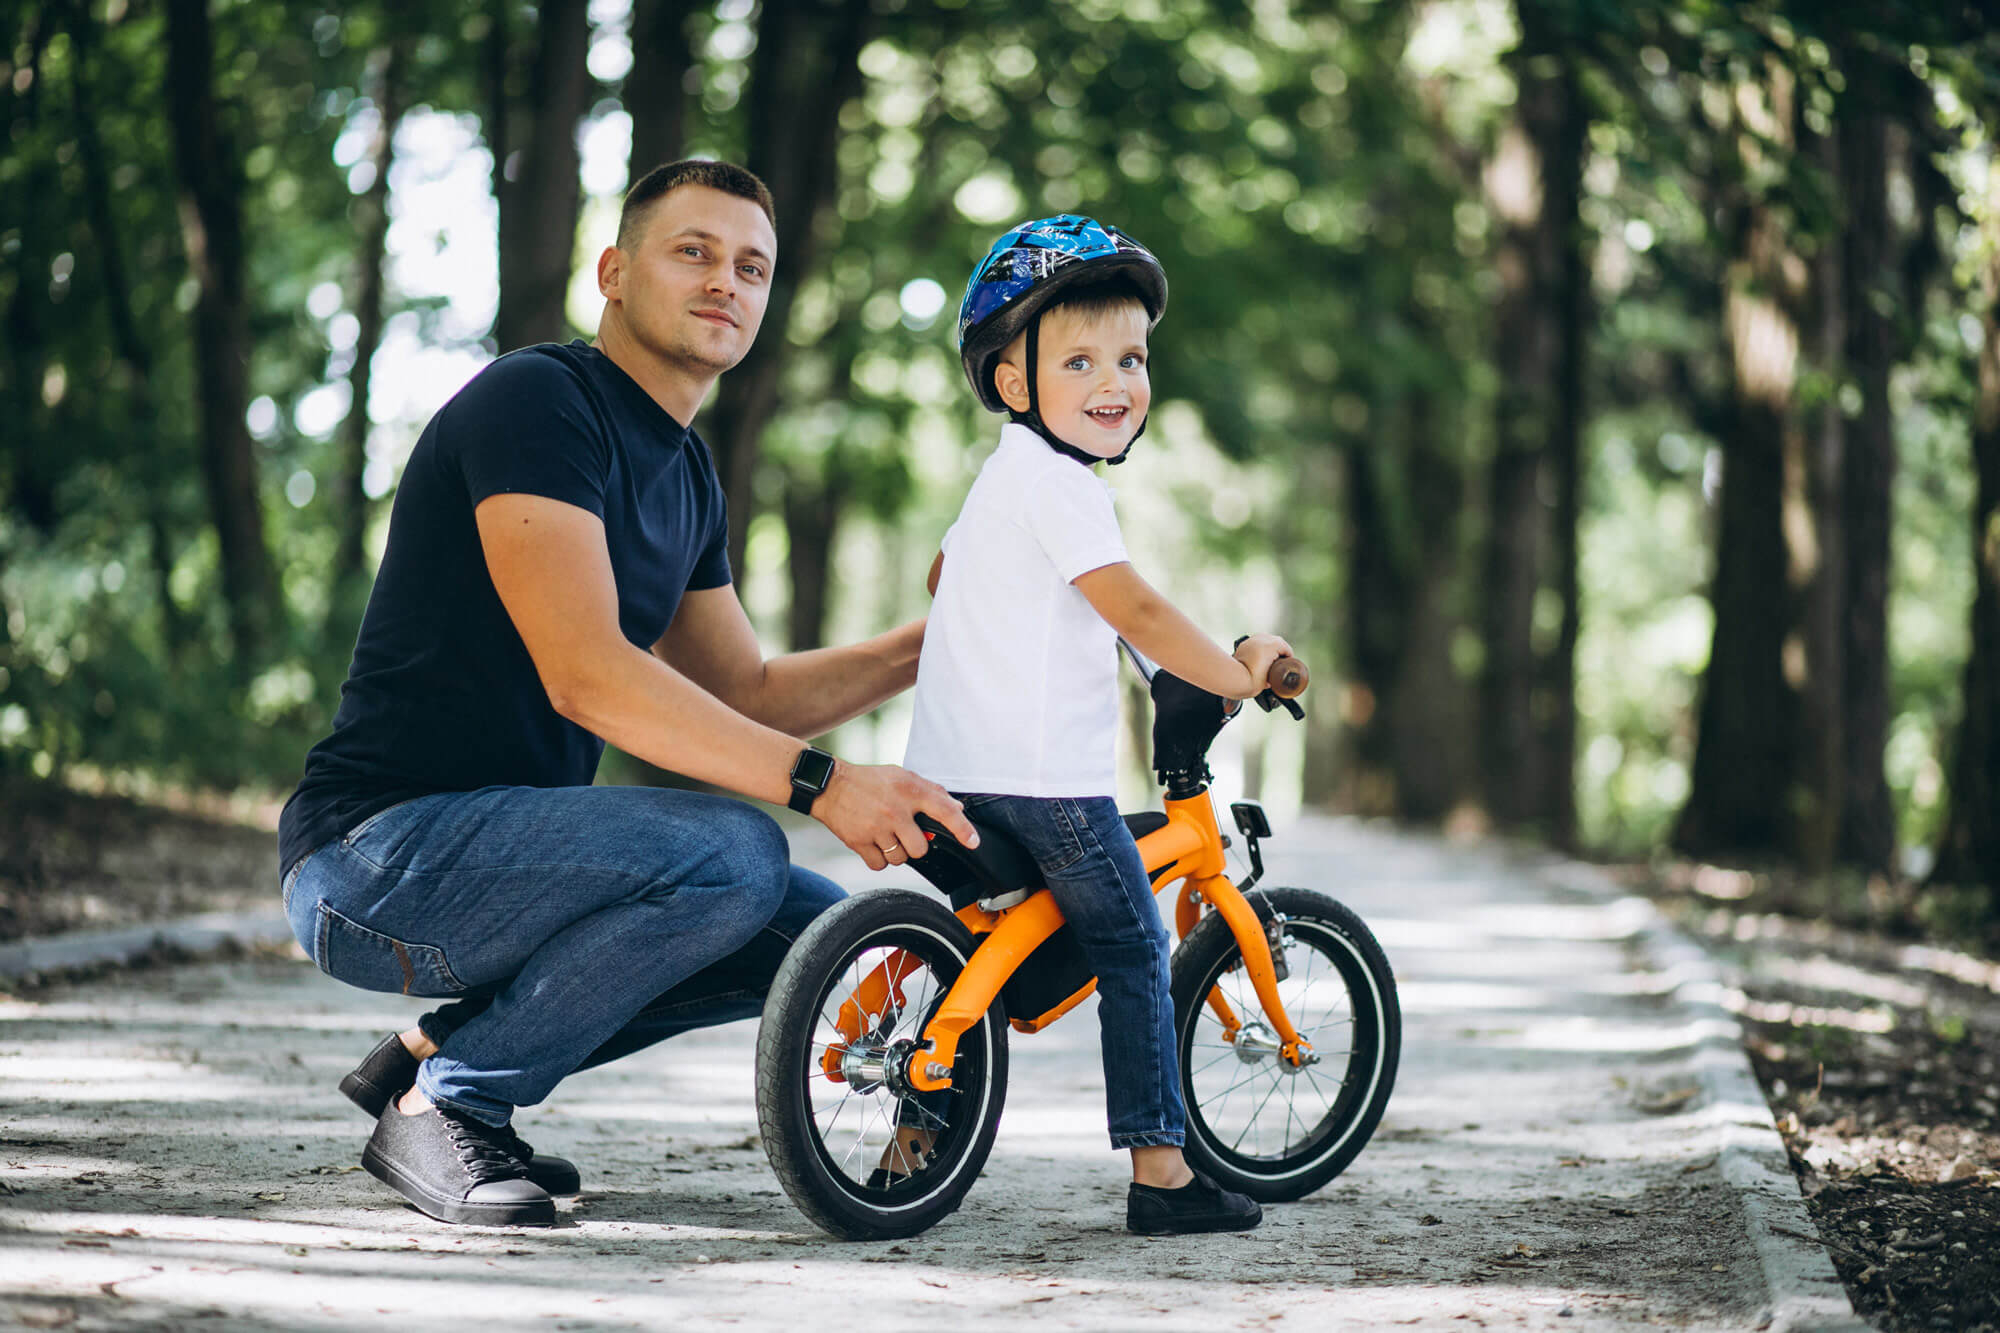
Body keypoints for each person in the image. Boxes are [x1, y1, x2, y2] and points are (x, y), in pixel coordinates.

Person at [278, 159, 977, 1228]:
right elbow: (588, 672)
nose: (724, 282)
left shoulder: (687, 475)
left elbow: (748, 691)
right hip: (373, 859)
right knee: (734, 855)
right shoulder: (538, 403)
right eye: (691, 251)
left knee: (812, 934)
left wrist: (938, 637)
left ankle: (444, 1054)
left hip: (510, 860)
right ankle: (451, 1103)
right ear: (612, 272)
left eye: (751, 266)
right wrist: (824, 787)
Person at [901, 215, 1291, 1234]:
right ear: (1014, 383)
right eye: (1078, 359)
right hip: (1043, 787)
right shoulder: (1062, 485)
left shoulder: (999, 479)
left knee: (980, 951)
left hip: (950, 775)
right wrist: (1232, 676)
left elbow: (944, 577)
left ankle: (910, 1140)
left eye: (1131, 355)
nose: (1115, 377)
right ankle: (1161, 1173)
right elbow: (1140, 612)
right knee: (1128, 946)